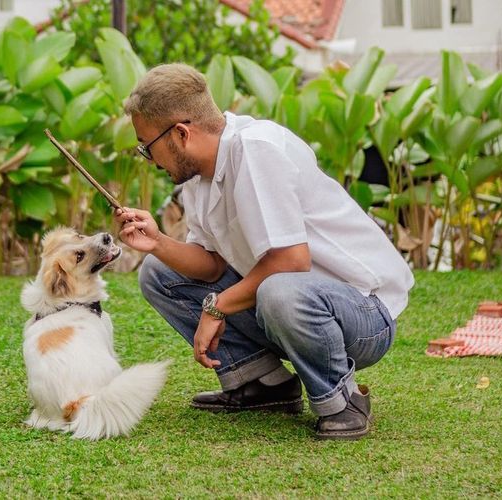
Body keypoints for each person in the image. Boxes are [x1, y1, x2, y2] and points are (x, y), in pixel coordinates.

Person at [114, 63, 414, 440]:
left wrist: (217, 306)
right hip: (292, 305)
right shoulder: (196, 177)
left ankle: (343, 400)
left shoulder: (257, 149)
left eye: (147, 146)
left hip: (364, 312)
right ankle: (263, 383)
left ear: (181, 133)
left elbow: (290, 261)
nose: (150, 159)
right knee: (159, 271)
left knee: (278, 288)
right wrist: (157, 242)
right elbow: (209, 267)